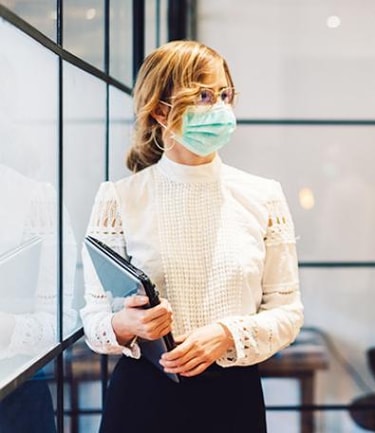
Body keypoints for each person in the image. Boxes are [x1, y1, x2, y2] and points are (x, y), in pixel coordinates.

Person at [79, 40, 303, 433]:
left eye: (224, 95)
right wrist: (128, 324)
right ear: (160, 110)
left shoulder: (264, 196)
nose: (219, 107)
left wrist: (227, 334)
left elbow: (288, 312)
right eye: (203, 95)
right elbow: (94, 321)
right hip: (143, 398)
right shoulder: (119, 199)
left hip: (233, 399)